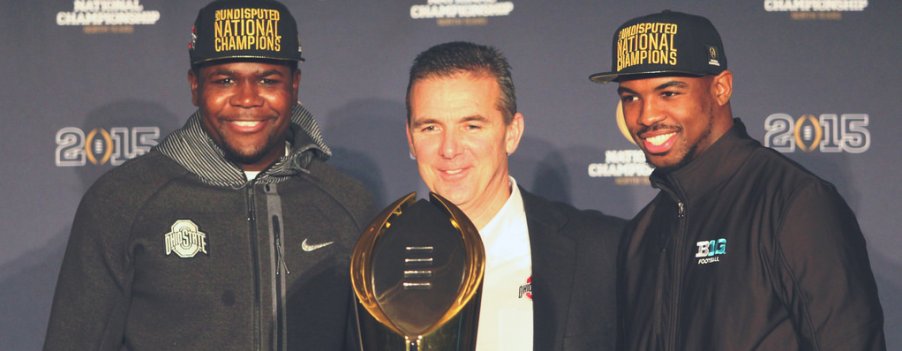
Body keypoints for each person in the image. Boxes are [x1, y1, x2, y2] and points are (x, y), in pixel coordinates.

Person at [43, 0, 372, 350]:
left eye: (267, 79)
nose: (247, 99)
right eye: (225, 79)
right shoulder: (123, 200)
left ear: (294, 86)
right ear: (195, 87)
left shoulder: (348, 203)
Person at [589, 10, 886, 350]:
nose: (647, 115)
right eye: (631, 97)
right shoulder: (642, 233)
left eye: (669, 92)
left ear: (721, 87)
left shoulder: (795, 202)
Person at [405, 41, 624, 350]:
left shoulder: (603, 250)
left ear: (512, 133)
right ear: (411, 140)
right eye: (430, 128)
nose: (449, 149)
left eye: (471, 126)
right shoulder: (377, 261)